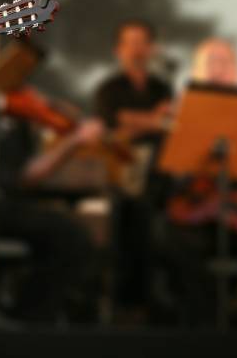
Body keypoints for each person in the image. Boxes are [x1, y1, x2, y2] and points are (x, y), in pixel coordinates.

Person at [0, 21, 101, 325]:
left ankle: (26, 321)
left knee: (71, 236)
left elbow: (26, 175)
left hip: (1, 204)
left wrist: (72, 143)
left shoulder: (8, 99)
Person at [92, 19, 173, 318]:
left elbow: (169, 125)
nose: (137, 50)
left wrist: (140, 122)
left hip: (159, 176)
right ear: (118, 50)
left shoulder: (161, 87)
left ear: (151, 49)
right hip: (120, 175)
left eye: (142, 43)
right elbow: (113, 127)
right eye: (130, 43)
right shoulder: (109, 89)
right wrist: (154, 120)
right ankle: (123, 302)